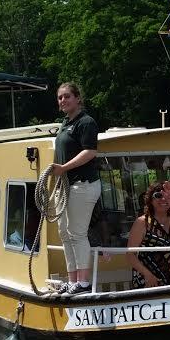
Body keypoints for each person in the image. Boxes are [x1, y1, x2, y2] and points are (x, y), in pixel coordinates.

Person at [50, 82, 102, 295]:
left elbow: (90, 152)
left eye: (67, 96)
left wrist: (63, 168)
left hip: (83, 185)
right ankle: (72, 280)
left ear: (78, 98)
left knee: (77, 233)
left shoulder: (86, 122)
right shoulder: (64, 123)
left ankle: (83, 282)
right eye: (60, 97)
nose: (63, 100)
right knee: (64, 233)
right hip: (67, 187)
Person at [127, 182, 170, 288]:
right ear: (150, 200)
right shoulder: (142, 222)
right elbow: (130, 254)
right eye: (158, 195)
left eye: (166, 196)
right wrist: (148, 275)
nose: (163, 199)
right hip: (147, 282)